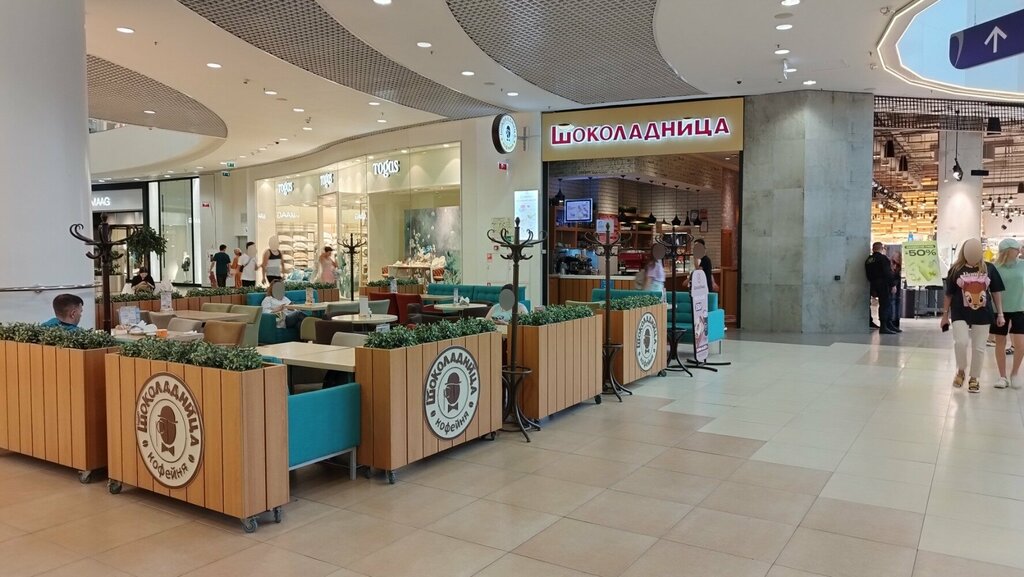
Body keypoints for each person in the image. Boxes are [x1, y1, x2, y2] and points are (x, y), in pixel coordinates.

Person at [942, 238, 1005, 393]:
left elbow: (996, 292)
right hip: (959, 312)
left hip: (983, 313)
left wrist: (1000, 314)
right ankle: (961, 370)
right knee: (961, 342)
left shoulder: (989, 268)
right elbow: (949, 294)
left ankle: (974, 378)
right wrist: (945, 315)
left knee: (979, 347)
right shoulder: (955, 269)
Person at [992, 238, 1024, 389]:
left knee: (1021, 344)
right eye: (1016, 249)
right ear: (1008, 251)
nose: (1019, 251)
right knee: (1000, 342)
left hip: (1020, 308)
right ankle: (1002, 376)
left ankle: (1015, 373)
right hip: (999, 310)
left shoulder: (1022, 265)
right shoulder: (994, 268)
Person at [865, 242, 899, 334]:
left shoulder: (868, 259)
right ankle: (885, 325)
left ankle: (887, 325)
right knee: (885, 304)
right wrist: (893, 284)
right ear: (882, 248)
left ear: (873, 249)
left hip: (873, 283)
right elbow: (887, 272)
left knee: (883, 304)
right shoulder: (883, 258)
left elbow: (868, 274)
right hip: (883, 284)